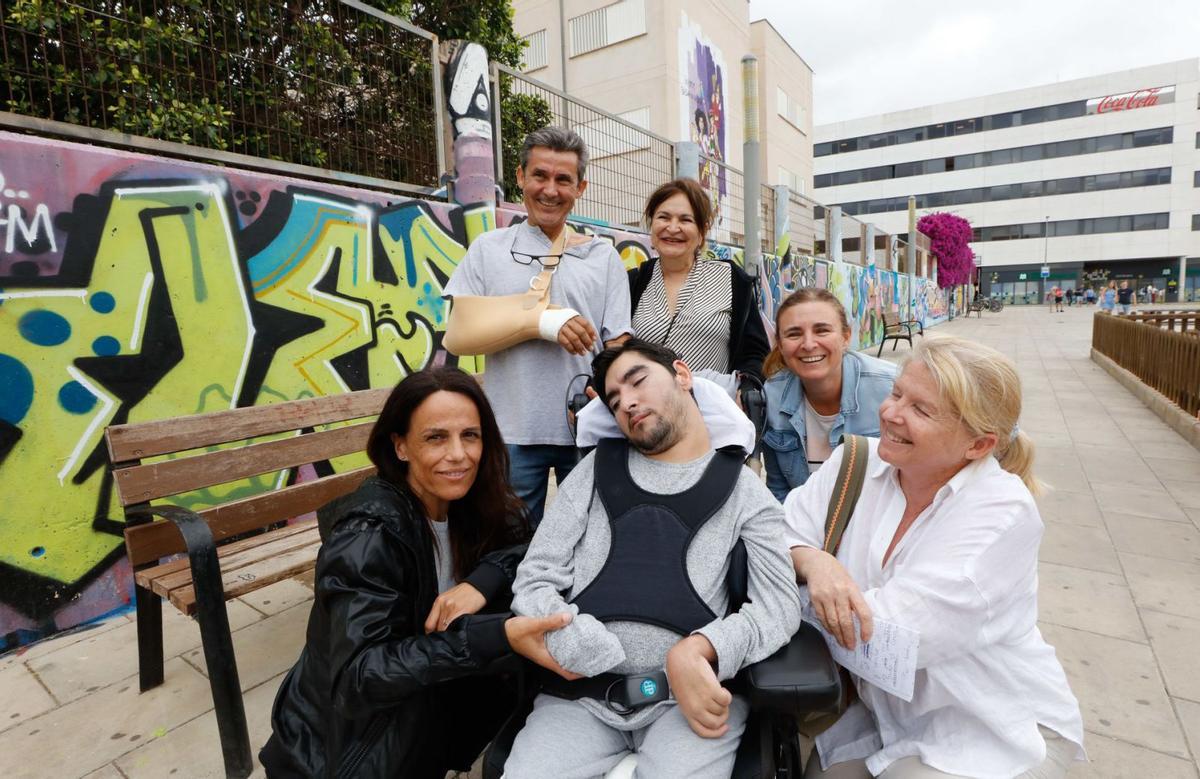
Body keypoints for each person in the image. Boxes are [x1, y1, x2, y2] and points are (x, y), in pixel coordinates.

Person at [784, 336, 1084, 778]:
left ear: (979, 445)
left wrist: (790, 597)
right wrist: (815, 563)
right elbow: (774, 532)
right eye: (896, 392)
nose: (890, 413)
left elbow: (885, 640)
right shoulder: (855, 464)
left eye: (920, 410)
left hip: (989, 727)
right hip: (887, 715)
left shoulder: (1001, 514)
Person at [503, 339, 802, 778]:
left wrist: (704, 649)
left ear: (682, 375)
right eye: (614, 399)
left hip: (687, 699)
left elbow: (779, 607)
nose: (627, 402)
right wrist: (574, 640)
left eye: (637, 381)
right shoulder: (592, 472)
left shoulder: (745, 492)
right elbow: (534, 579)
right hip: (579, 695)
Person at [259, 367, 573, 779]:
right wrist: (489, 636)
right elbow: (359, 678)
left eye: (470, 436)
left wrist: (481, 583)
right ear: (401, 446)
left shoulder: (476, 505)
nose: (459, 454)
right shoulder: (369, 536)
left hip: (421, 717)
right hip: (347, 751)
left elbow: (531, 547)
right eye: (436, 437)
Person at [443, 126, 632, 525]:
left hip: (587, 430)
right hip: (511, 431)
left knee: (591, 538)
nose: (550, 189)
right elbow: (459, 335)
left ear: (580, 187)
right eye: (540, 176)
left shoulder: (602, 256)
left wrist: (609, 391)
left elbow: (618, 341)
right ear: (519, 178)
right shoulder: (488, 250)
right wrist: (542, 322)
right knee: (509, 543)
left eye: (563, 179)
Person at [628, 178, 769, 395]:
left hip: (713, 411)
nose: (672, 227)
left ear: (702, 232)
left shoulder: (730, 279)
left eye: (686, 220)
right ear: (651, 225)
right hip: (647, 411)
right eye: (663, 217)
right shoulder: (633, 282)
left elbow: (755, 352)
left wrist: (748, 385)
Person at [760, 288, 897, 502]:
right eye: (794, 334)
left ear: (846, 337)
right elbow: (779, 491)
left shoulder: (891, 388)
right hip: (804, 527)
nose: (808, 344)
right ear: (779, 343)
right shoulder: (772, 395)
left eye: (822, 330)